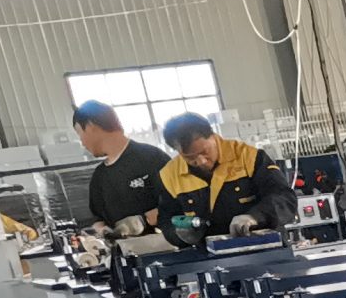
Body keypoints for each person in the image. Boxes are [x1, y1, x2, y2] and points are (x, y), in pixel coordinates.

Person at [153, 113, 294, 242]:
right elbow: (167, 220)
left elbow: (284, 198)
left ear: (213, 136)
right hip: (210, 255)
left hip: (264, 247)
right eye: (190, 157)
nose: (201, 161)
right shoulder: (169, 175)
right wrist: (179, 235)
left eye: (204, 152)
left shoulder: (248, 157)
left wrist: (255, 216)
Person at [70, 100, 167, 235]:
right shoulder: (100, 176)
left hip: (163, 244)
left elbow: (179, 202)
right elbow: (98, 219)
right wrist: (102, 230)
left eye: (80, 134)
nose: (82, 143)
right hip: (122, 247)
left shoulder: (152, 158)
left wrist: (143, 221)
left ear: (91, 126)